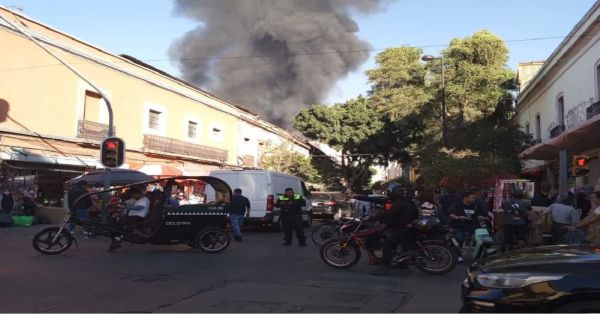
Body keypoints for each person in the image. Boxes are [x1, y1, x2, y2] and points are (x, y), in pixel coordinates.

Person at [370, 183, 420, 276]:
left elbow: (388, 215)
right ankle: (402, 263)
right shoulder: (408, 201)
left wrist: (374, 217)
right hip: (408, 227)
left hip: (404, 228)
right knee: (396, 242)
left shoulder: (398, 204)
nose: (388, 194)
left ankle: (385, 267)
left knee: (387, 244)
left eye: (389, 192)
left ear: (394, 193)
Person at [108, 188, 151, 252]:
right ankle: (115, 240)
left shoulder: (144, 199)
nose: (132, 196)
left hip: (137, 217)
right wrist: (117, 203)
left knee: (117, 227)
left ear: (138, 194)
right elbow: (126, 203)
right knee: (115, 227)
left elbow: (138, 208)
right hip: (131, 216)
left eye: (133, 195)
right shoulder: (136, 199)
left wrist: (125, 207)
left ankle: (116, 240)